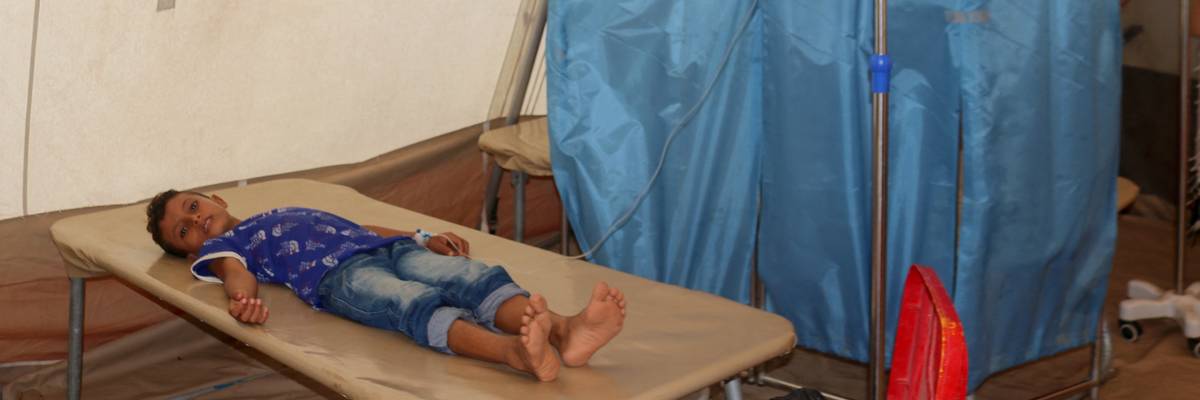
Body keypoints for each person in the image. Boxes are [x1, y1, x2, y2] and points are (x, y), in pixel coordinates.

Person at [144, 189, 626, 382]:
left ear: (215, 197)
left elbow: (360, 227)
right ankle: (513, 354)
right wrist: (242, 298)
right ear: (190, 252)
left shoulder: (282, 211)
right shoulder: (227, 246)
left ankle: (565, 332)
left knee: (467, 275)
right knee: (410, 303)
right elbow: (237, 273)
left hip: (383, 250)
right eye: (184, 231)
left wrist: (419, 237)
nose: (196, 221)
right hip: (339, 278)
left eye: (192, 206)